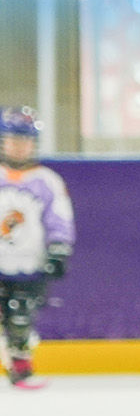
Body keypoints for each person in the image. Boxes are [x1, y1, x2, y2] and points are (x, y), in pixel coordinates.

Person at [0, 106, 75, 390]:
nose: (20, 146)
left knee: (20, 318)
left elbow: (60, 218)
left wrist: (59, 249)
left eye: (25, 140)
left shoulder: (47, 181)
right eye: (13, 140)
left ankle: (21, 368)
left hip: (29, 265)